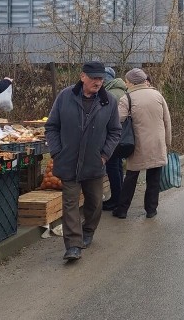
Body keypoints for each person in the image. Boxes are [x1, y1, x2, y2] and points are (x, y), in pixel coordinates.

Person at [45, 61, 122, 262]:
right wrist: (56, 152)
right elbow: (52, 126)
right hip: (68, 161)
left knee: (95, 202)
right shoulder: (65, 96)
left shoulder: (109, 101)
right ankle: (73, 245)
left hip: (94, 162)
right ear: (83, 77)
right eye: (94, 78)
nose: (98, 82)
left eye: (101, 79)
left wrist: (104, 154)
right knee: (69, 203)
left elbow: (115, 131)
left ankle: (88, 230)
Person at [113, 68, 172, 220]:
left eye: (126, 81)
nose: (126, 84)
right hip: (158, 143)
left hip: (138, 144)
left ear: (132, 82)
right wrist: (167, 143)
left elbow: (117, 120)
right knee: (154, 178)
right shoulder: (158, 95)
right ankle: (151, 210)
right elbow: (167, 121)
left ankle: (122, 210)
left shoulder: (128, 98)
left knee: (131, 177)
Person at [101, 67, 128, 212]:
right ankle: (120, 196)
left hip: (112, 136)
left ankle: (116, 199)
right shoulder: (122, 90)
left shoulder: (110, 94)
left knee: (112, 166)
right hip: (123, 136)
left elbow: (107, 118)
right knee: (117, 165)